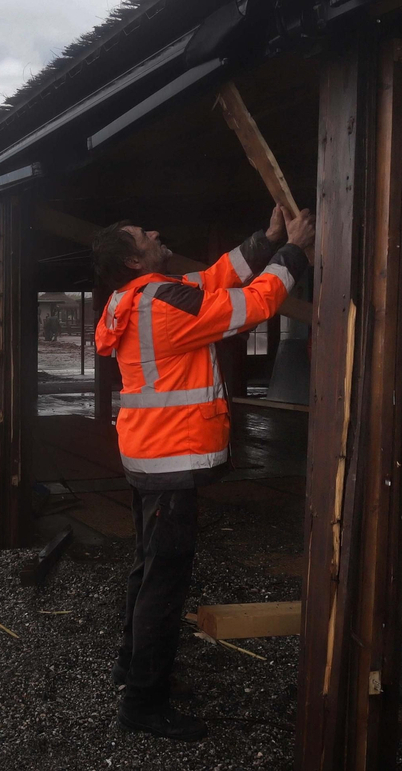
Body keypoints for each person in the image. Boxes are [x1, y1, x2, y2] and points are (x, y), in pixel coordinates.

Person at [92, 204, 314, 740]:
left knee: (147, 571)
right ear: (132, 259)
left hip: (148, 458)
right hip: (172, 462)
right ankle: (143, 703)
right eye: (142, 233)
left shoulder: (135, 298)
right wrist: (295, 252)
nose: (154, 230)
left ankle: (131, 667)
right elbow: (254, 305)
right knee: (164, 586)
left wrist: (267, 238)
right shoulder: (165, 301)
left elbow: (215, 278)